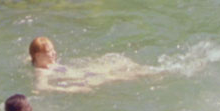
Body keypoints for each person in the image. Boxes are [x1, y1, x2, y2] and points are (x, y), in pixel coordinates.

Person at [29, 36, 159, 94]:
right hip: (83, 80)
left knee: (117, 63)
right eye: (49, 52)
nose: (53, 54)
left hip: (83, 71)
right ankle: (154, 73)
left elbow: (28, 57)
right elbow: (41, 88)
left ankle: (148, 71)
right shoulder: (42, 72)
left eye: (53, 50)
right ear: (38, 56)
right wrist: (71, 90)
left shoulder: (43, 61)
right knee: (116, 77)